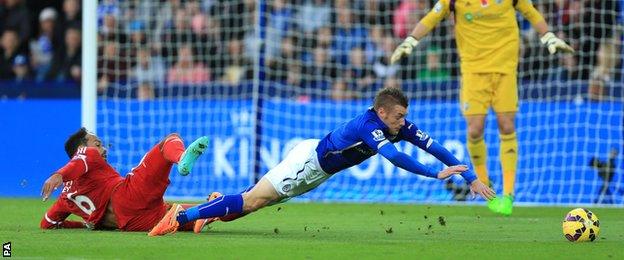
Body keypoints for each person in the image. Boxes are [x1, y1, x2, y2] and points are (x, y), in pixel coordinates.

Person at [148, 87, 495, 236]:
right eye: (399, 116)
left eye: (405, 117)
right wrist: (435, 174)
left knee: (253, 204)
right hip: (309, 161)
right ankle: (182, 216)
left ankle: (208, 211)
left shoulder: (399, 125)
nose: (404, 122)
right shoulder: (369, 125)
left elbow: (436, 148)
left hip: (318, 173)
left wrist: (472, 178)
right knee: (253, 199)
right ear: (382, 111)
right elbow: (393, 156)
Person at [389, 0, 574, 215]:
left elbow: (531, 12)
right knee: (475, 129)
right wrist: (410, 40)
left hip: (504, 70)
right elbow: (432, 16)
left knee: (506, 126)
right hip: (473, 72)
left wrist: (548, 35)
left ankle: (509, 193)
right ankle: (485, 185)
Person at [40, 128, 217, 233]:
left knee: (203, 211)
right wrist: (59, 174)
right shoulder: (87, 155)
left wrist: (84, 225)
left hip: (134, 224)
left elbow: (47, 223)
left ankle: (220, 206)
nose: (103, 149)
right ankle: (182, 157)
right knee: (170, 140)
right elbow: (79, 161)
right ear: (81, 149)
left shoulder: (64, 198)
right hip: (128, 196)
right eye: (98, 144)